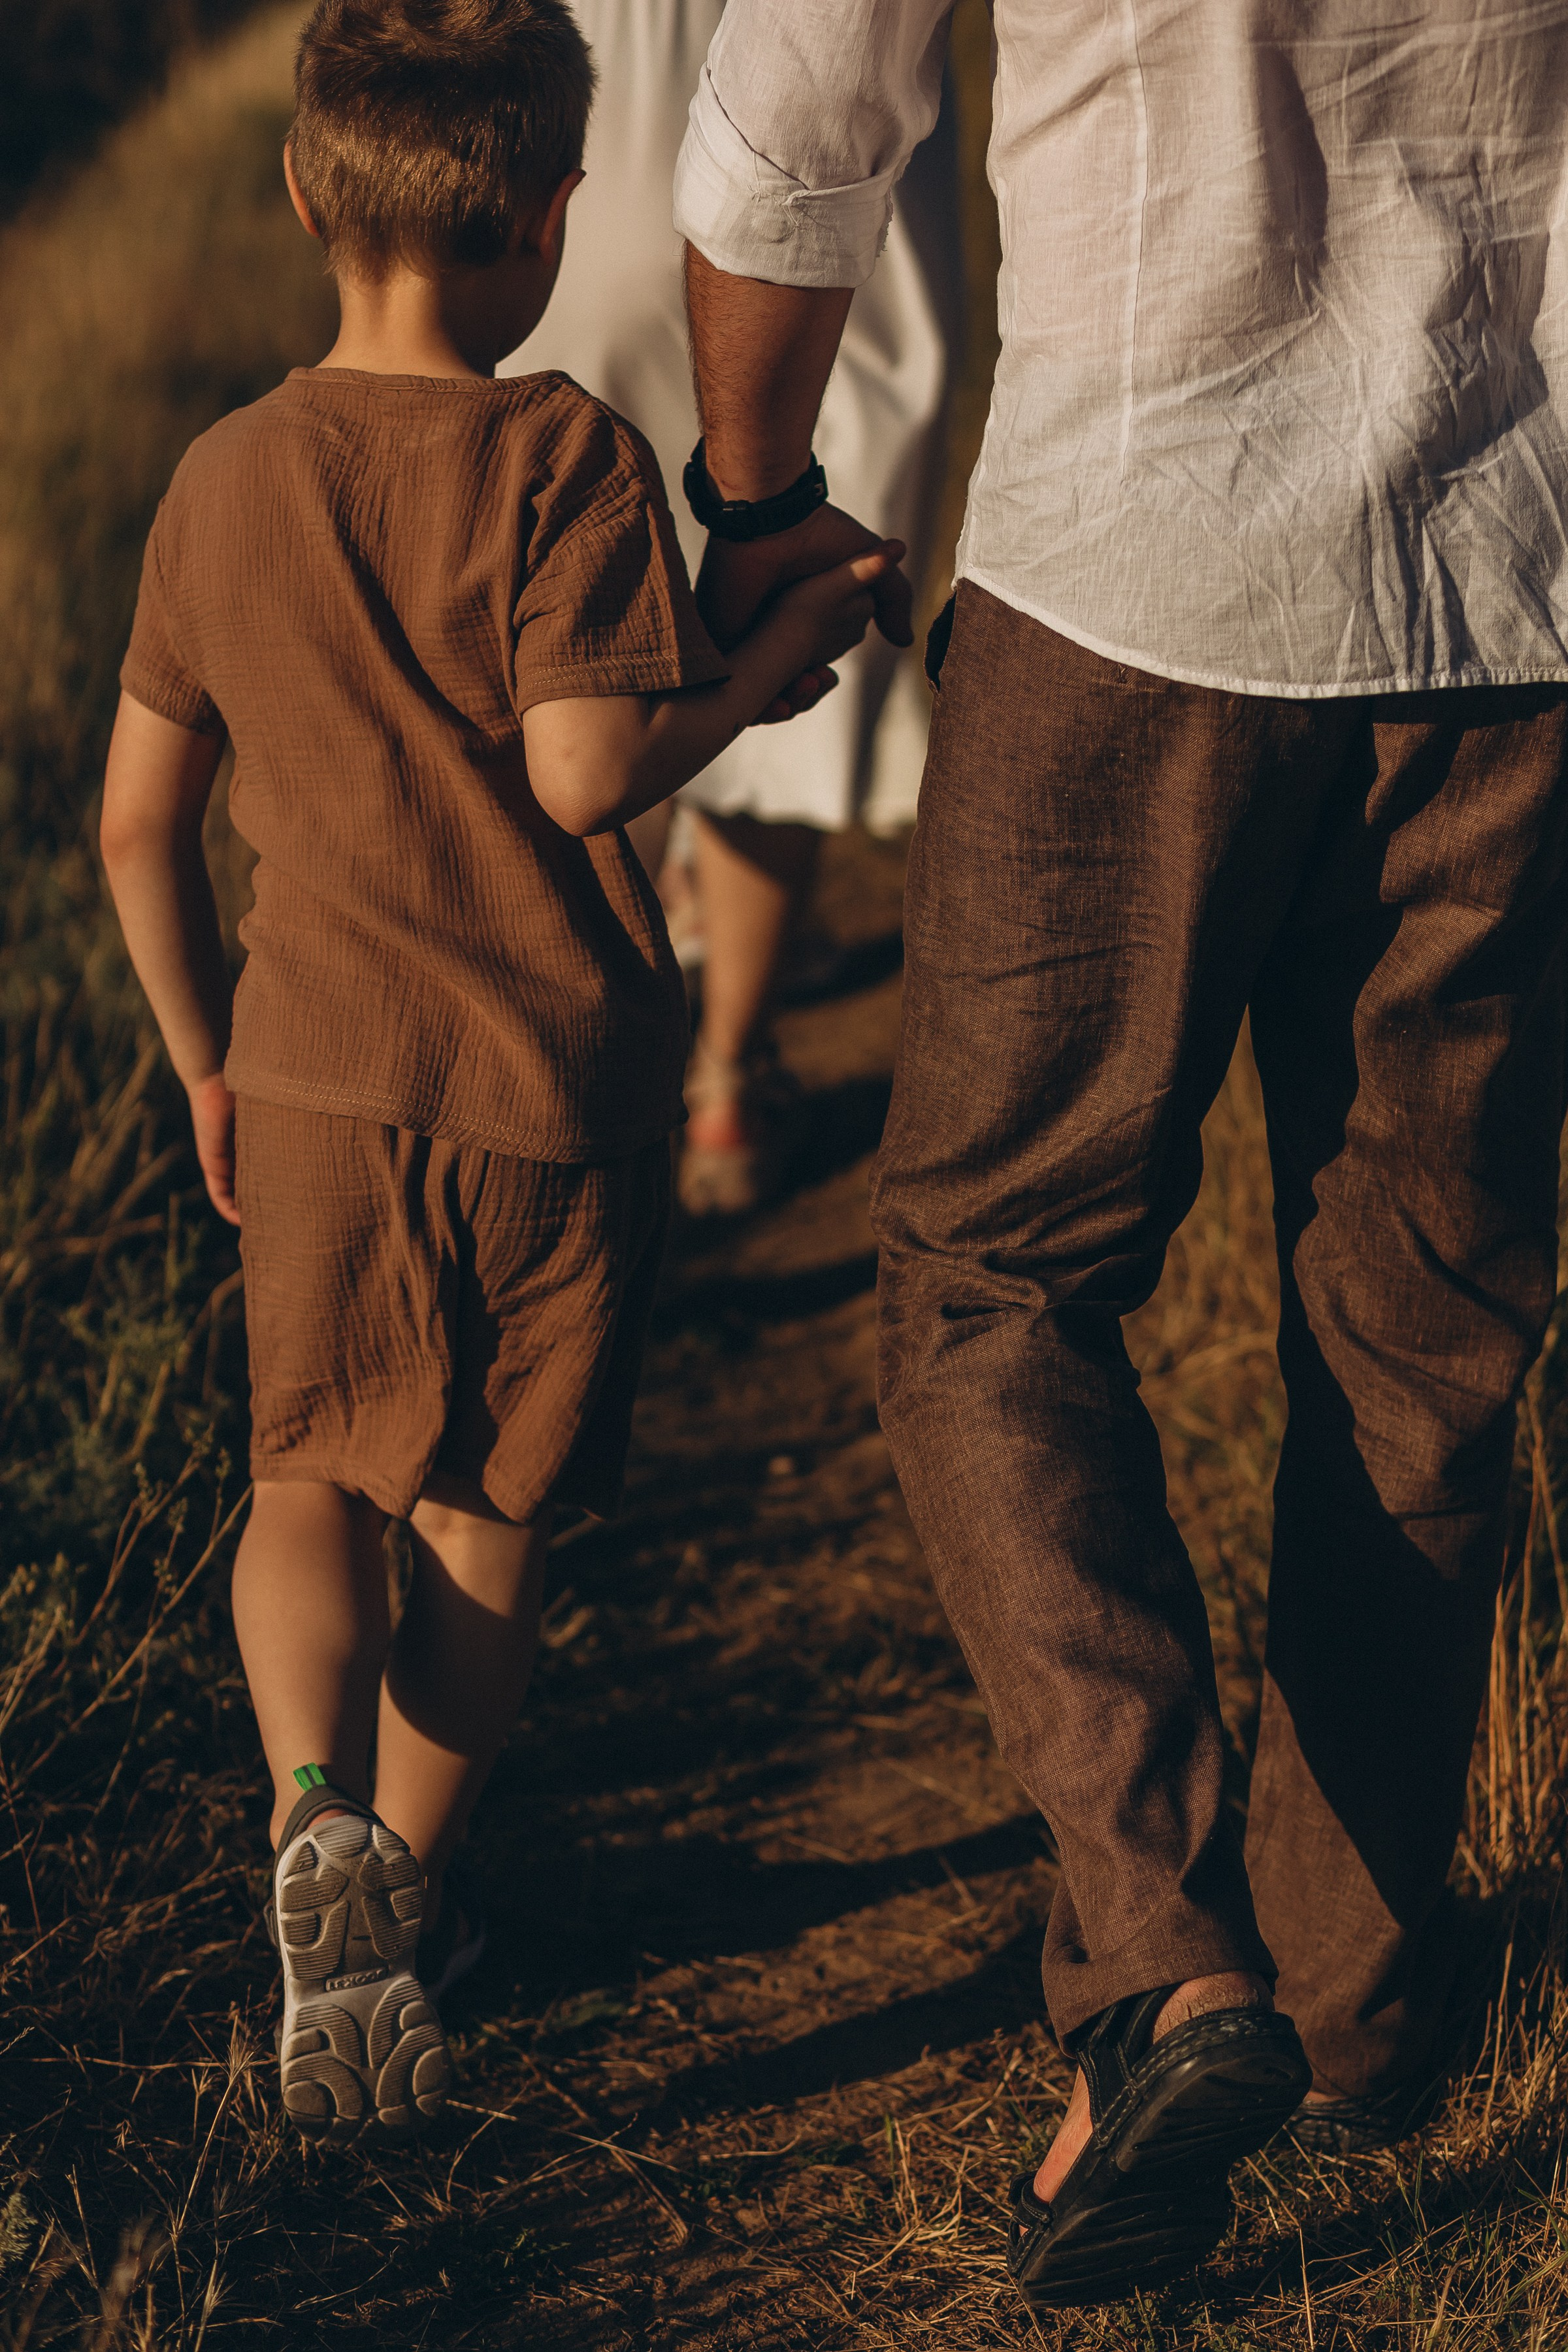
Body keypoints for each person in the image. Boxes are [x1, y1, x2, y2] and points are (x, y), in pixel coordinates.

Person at [672, 0, 1568, 2311]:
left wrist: (758, 495)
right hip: (1512, 587)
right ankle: (1359, 2002)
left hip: (1129, 579)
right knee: (1422, 1325)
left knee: (988, 1274)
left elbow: (792, 132)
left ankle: (1172, 1971)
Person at [97, 0, 898, 2147]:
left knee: (305, 1478)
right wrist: (746, 682)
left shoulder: (221, 481)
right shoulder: (558, 456)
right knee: (483, 1515)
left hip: (317, 1069)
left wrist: (203, 1058)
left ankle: (303, 1824)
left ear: (300, 195)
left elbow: (136, 831)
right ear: (552, 224)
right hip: (554, 1085)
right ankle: (414, 1902)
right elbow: (581, 768)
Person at [506, 0, 961, 1215]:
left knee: (587, 628)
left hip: (577, 109)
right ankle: (723, 1083)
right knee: (797, 595)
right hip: (822, 127)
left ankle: (593, 1078)